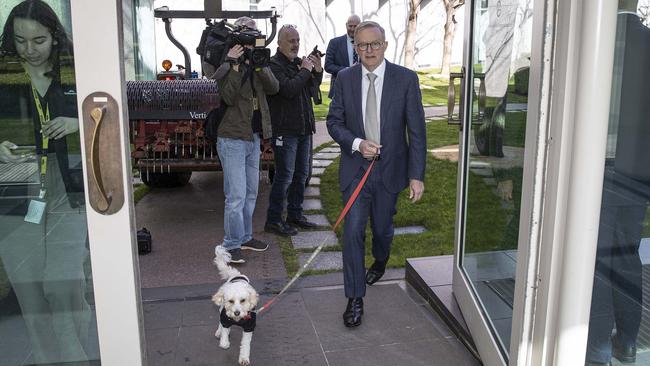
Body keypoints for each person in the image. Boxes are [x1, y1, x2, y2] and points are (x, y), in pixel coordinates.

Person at [0, 0, 91, 363]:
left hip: (67, 176)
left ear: (55, 37)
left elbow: (109, 113)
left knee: (64, 276)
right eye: (20, 41)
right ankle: (43, 352)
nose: (29, 50)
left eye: (38, 40)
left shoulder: (76, 70)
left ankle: (71, 349)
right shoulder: (3, 71)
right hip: (15, 179)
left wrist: (79, 123)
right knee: (28, 281)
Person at [326, 21, 426, 327]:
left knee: (382, 229)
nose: (368, 50)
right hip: (356, 170)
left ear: (384, 45)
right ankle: (355, 299)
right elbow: (333, 122)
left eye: (374, 44)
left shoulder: (405, 79)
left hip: (390, 171)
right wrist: (356, 143)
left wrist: (416, 175)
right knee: (353, 231)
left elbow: (417, 132)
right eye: (362, 45)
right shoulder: (344, 78)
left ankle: (380, 260)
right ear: (354, 47)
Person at [585, 1, 650, 365]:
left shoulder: (597, 41)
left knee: (597, 259)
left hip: (597, 170)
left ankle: (597, 349)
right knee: (625, 256)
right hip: (638, 176)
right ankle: (626, 340)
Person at [204, 17, 279, 264]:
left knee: (250, 193)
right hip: (232, 137)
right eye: (250, 33)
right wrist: (234, 64)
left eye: (257, 33)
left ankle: (245, 237)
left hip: (252, 136)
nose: (255, 37)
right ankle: (231, 244)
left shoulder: (258, 60)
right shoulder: (227, 63)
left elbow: (274, 88)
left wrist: (260, 64)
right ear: (239, 35)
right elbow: (228, 96)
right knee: (235, 195)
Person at [264, 24, 323, 236]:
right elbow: (288, 90)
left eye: (297, 40)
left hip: (304, 127)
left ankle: (295, 214)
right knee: (284, 176)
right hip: (285, 129)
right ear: (279, 43)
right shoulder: (273, 65)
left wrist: (316, 70)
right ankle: (273, 219)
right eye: (291, 41)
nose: (296, 45)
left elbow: (311, 90)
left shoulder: (299, 63)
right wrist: (306, 71)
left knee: (302, 175)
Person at [324, 14, 360, 99]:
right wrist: (348, 70)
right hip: (340, 89)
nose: (352, 29)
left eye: (355, 26)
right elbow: (328, 66)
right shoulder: (334, 43)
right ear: (346, 25)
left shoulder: (366, 43)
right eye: (350, 26)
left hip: (361, 89)